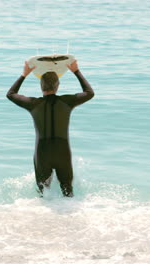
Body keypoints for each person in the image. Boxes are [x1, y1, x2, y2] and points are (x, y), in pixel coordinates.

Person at [6, 60, 94, 197]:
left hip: (42, 152)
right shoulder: (67, 101)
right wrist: (76, 71)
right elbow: (89, 93)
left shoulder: (33, 104)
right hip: (62, 151)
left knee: (42, 192)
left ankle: (42, 216)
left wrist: (24, 74)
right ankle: (72, 217)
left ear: (41, 86)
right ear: (57, 85)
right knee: (68, 192)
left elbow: (10, 94)